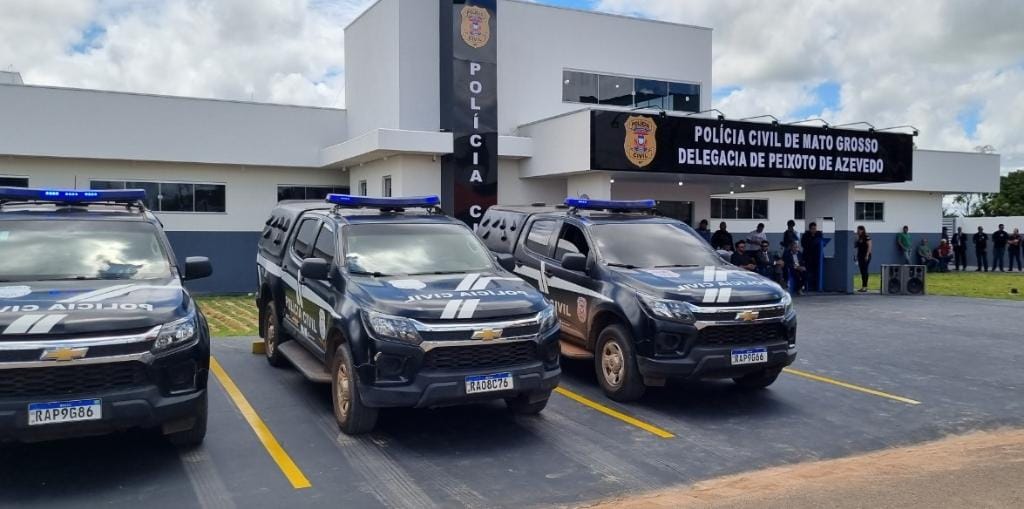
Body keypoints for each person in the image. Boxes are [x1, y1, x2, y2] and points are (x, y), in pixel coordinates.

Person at [801, 222, 823, 291]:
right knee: (807, 271)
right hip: (807, 256)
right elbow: (804, 244)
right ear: (810, 229)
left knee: (816, 272)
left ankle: (816, 286)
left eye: (815, 229)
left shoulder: (818, 234)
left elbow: (821, 241)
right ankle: (806, 286)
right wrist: (812, 239)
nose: (814, 230)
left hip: (816, 256)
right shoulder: (805, 235)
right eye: (812, 229)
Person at [854, 226, 872, 293]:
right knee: (862, 271)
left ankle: (865, 286)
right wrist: (856, 238)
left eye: (858, 230)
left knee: (865, 270)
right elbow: (855, 246)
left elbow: (870, 246)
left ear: (862, 230)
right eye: (857, 230)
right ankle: (863, 286)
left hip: (866, 256)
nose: (857, 231)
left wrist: (867, 255)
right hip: (860, 256)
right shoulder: (859, 238)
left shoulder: (867, 237)